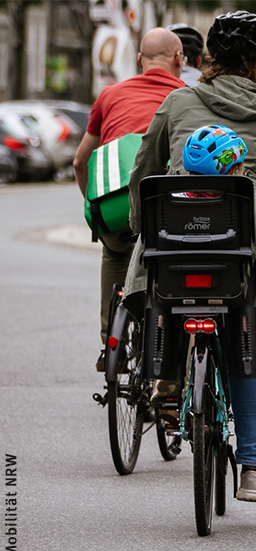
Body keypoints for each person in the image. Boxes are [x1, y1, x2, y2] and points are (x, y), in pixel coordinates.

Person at [125, 10, 256, 502]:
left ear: (206, 59)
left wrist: (142, 229)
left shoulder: (179, 101)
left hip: (172, 243)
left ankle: (165, 386)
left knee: (164, 300)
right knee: (250, 354)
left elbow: (145, 170)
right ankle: (251, 469)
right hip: (244, 250)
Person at [72, 27, 185, 369]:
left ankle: (112, 343)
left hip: (118, 204)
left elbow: (80, 161)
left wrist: (97, 207)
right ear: (179, 59)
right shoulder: (187, 96)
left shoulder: (109, 95)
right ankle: (170, 357)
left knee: (115, 254)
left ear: (139, 60)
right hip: (166, 209)